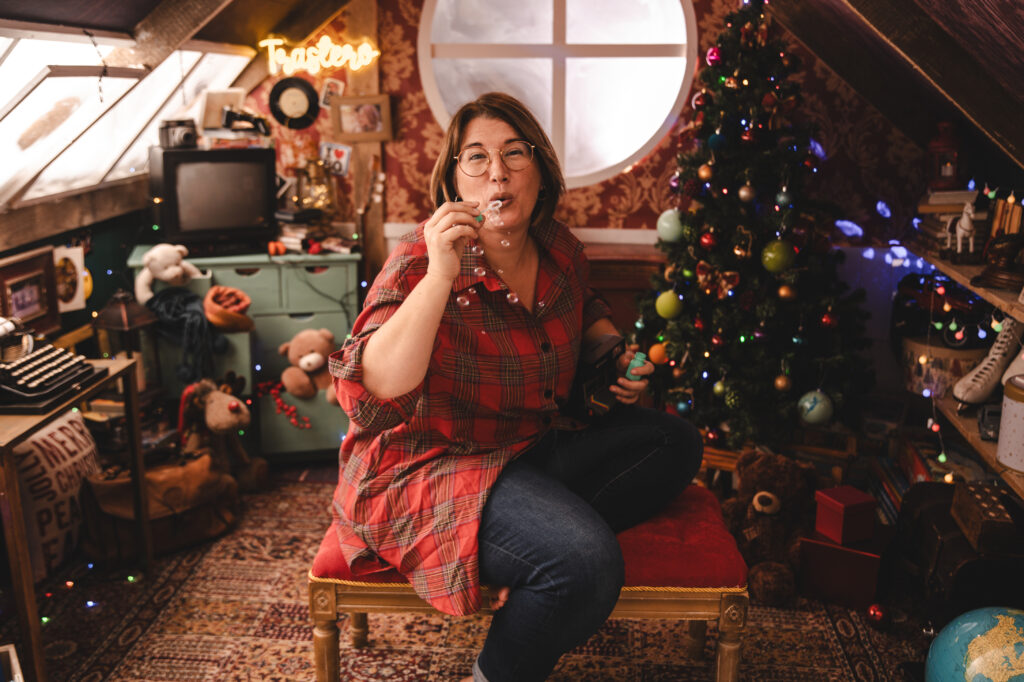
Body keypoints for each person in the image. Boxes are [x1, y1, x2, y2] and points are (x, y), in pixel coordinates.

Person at [328, 92, 703, 682]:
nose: (496, 171)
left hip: (527, 449)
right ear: (454, 181)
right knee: (584, 564)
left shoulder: (558, 250)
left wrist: (615, 362)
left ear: (540, 174)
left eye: (513, 154)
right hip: (429, 465)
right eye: (475, 158)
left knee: (675, 443)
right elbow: (370, 394)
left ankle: (530, 549)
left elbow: (586, 316)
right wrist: (441, 276)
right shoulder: (419, 260)